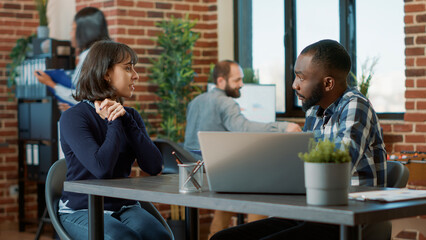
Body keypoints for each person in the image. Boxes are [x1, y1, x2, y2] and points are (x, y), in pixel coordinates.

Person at [210, 39, 388, 240]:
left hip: (347, 215)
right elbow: (303, 162)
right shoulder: (314, 110)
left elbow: (338, 164)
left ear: (328, 83)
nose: (294, 85)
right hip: (313, 211)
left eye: (301, 78)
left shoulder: (355, 105)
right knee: (223, 238)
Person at [58, 40, 172, 240]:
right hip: (82, 209)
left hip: (123, 206)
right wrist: (114, 121)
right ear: (106, 74)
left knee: (161, 237)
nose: (135, 75)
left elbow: (154, 166)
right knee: (123, 238)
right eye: (128, 68)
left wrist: (126, 120)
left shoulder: (131, 116)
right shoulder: (74, 117)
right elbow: (101, 169)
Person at [183, 60, 302, 238]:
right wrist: (283, 127)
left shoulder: (195, 101)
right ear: (221, 81)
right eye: (237, 80)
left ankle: (215, 235)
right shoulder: (226, 103)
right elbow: (243, 128)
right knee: (261, 182)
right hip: (214, 170)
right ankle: (255, 233)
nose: (241, 84)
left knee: (235, 184)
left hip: (191, 170)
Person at [35, 7, 110, 111]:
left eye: (74, 29)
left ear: (86, 31)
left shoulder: (90, 56)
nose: (71, 34)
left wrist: (51, 83)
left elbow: (82, 96)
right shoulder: (104, 52)